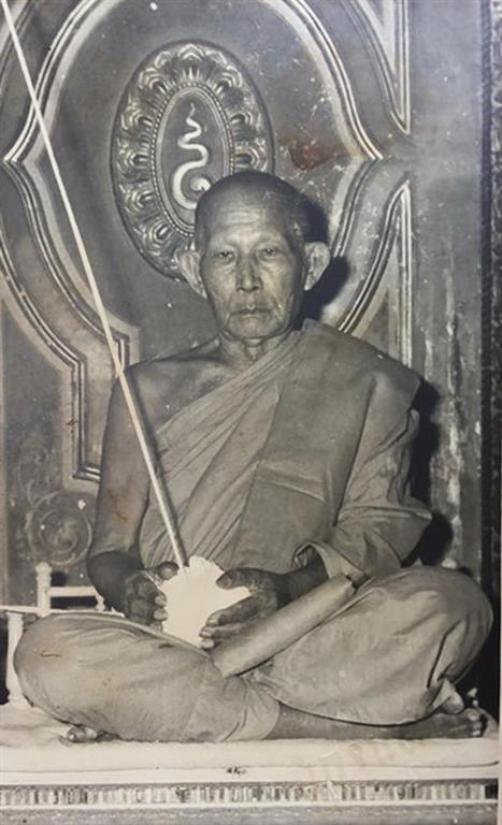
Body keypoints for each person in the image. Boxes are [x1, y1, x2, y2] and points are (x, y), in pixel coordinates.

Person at [15, 171, 492, 743]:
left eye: (268, 253)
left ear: (310, 265)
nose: (246, 281)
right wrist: (132, 592)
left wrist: (287, 590)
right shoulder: (146, 390)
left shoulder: (368, 382)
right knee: (46, 653)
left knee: (456, 604)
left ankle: (172, 712)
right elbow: (110, 551)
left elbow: (378, 534)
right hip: (178, 640)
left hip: (308, 629)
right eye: (224, 256)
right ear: (194, 269)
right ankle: (338, 725)